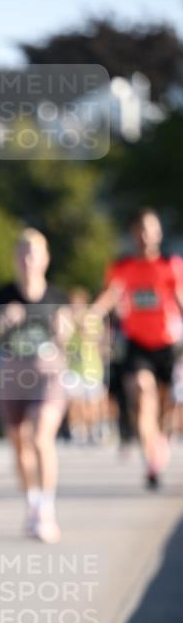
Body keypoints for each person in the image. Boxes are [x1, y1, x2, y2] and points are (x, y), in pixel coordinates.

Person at [0, 228, 70, 543]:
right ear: (15, 259)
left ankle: (47, 511)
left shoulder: (56, 298)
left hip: (47, 378)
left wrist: (64, 330)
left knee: (41, 439)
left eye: (35, 253)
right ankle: (33, 504)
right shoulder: (1, 297)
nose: (29, 260)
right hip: (10, 378)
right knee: (19, 444)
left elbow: (74, 339)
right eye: (23, 253)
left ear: (46, 259)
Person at [92, 208, 183, 488]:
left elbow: (180, 299)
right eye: (140, 230)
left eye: (151, 229)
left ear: (159, 233)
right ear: (133, 234)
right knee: (143, 397)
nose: (145, 236)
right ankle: (151, 459)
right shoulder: (122, 267)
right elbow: (110, 296)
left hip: (167, 343)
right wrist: (92, 314)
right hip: (137, 343)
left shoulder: (171, 264)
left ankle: (161, 439)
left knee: (166, 407)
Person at [65, 288, 106, 444]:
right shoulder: (66, 319)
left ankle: (93, 428)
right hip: (73, 367)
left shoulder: (92, 319)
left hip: (92, 367)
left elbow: (98, 338)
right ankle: (77, 429)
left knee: (92, 403)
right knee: (74, 400)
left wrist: (83, 326)